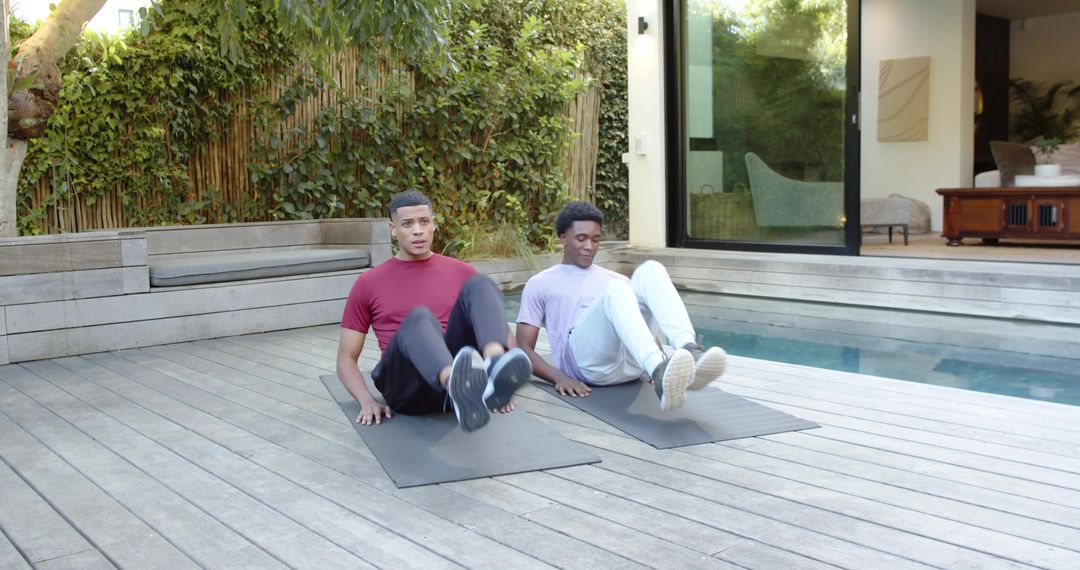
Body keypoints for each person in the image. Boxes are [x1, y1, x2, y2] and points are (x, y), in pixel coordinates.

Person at [336, 190, 532, 432]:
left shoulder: (461, 271)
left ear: (433, 225)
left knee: (481, 284)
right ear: (392, 228)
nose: (418, 230)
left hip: (457, 379)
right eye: (407, 224)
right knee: (420, 318)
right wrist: (366, 401)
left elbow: (502, 331)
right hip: (406, 389)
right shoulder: (369, 282)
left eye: (424, 222)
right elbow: (346, 359)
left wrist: (502, 387)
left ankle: (493, 365)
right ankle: (456, 385)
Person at [516, 201, 727, 411]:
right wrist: (558, 377)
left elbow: (636, 325)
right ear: (563, 238)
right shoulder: (541, 283)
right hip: (586, 366)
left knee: (650, 270)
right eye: (581, 239)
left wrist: (662, 356)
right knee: (616, 289)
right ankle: (658, 368)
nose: (589, 246)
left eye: (595, 239)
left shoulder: (613, 279)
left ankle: (685, 350)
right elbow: (524, 347)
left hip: (631, 367)